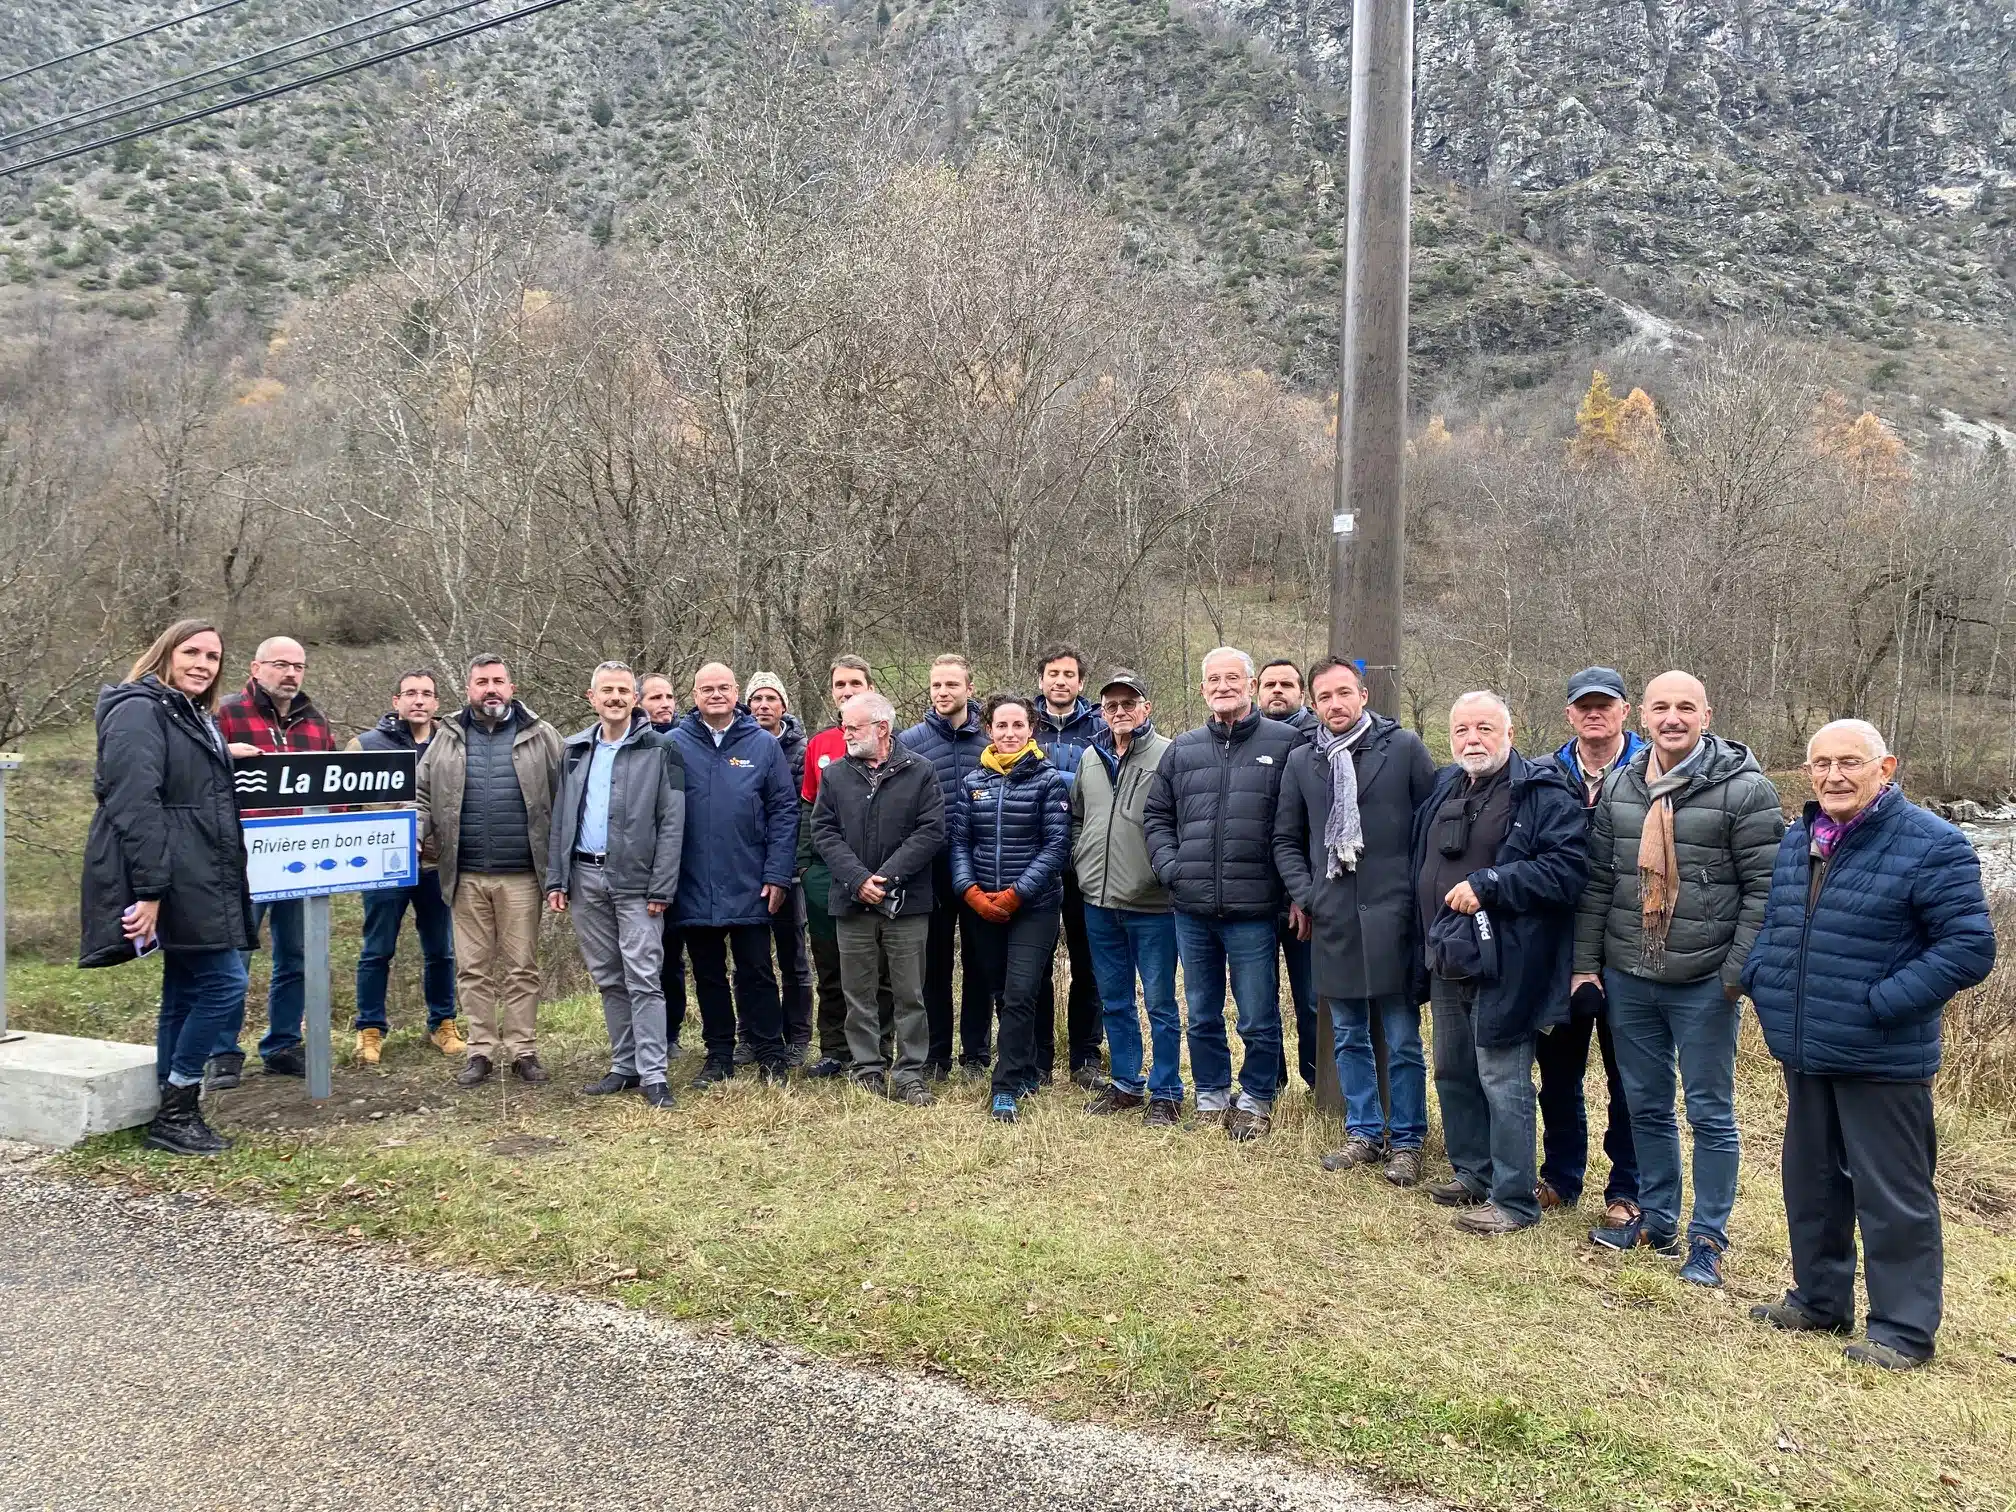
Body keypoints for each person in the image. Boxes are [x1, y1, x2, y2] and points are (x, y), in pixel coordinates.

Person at [1744, 720, 1995, 1370]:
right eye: (1821, 763)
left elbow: (1969, 947)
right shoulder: (1802, 836)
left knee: (1893, 1197)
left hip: (1882, 1055)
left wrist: (1881, 1004)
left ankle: (1903, 1331)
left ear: (1885, 768)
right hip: (1806, 1045)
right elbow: (1779, 924)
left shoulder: (1932, 844)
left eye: (1850, 762)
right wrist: (1761, 979)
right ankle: (1819, 1300)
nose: (1833, 776)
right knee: (1812, 1185)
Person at [1575, 671, 1784, 1285]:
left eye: (1686, 707)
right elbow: (1599, 884)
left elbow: (1765, 891)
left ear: (1706, 716)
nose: (1673, 718)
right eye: (1661, 707)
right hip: (1630, 975)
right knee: (1645, 1105)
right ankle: (1659, 1220)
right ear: (1643, 716)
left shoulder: (1745, 789)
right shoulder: (1622, 785)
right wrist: (1586, 964)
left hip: (1704, 980)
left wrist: (1734, 973)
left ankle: (1708, 1238)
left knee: (1710, 1112)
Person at [1411, 692, 1588, 1235]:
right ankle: (1474, 1173)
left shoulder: (1542, 791)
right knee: (1453, 1068)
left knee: (1503, 1077)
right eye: (1462, 729)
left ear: (1510, 733)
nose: (1472, 739)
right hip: (1448, 955)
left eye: (1485, 728)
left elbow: (1567, 871)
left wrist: (1491, 884)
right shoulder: (1445, 786)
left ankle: (1513, 1200)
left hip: (1509, 962)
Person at [80, 620, 255, 1156]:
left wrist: (224, 754)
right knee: (224, 983)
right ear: (165, 653)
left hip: (198, 871)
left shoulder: (189, 713)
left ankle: (169, 1108)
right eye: (191, 652)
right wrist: (151, 890)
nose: (202, 664)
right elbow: (135, 802)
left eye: (212, 657)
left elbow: (184, 781)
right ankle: (180, 1105)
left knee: (183, 989)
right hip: (174, 874)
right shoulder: (138, 710)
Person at [1274, 658, 1438, 1185]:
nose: (1335, 704)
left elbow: (1431, 824)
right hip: (1334, 915)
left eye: (1344, 692)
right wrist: (1309, 896)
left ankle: (1407, 1141)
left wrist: (1418, 895)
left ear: (1363, 695)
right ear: (1313, 703)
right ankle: (1363, 1132)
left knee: (1403, 1037)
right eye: (1324, 696)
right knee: (1347, 1033)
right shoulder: (1303, 760)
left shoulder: (1404, 747)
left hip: (1395, 915)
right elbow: (1285, 839)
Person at [1142, 647, 1302, 1140]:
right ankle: (1211, 1093)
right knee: (1202, 1011)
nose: (1223, 686)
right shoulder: (1183, 749)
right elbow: (1156, 816)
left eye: (1233, 678)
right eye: (1214, 679)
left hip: (1254, 907)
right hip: (1191, 908)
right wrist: (1172, 868)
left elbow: (1303, 822)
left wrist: (1293, 890)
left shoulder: (1287, 744)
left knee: (1257, 1013)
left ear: (1251, 686)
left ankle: (1256, 1097)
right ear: (1202, 689)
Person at [417, 655, 564, 1088]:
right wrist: (417, 833)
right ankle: (480, 1050)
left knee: (522, 967)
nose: (490, 688)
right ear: (469, 689)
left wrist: (561, 867)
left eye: (498, 680)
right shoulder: (447, 736)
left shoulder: (541, 734)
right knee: (472, 969)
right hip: (464, 874)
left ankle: (523, 1050)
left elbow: (567, 796)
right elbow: (422, 794)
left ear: (512, 687)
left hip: (522, 874)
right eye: (482, 682)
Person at [546, 661, 687, 1108]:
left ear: (635, 699)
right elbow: (561, 818)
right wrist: (557, 878)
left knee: (643, 976)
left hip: (638, 882)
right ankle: (625, 1066)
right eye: (607, 690)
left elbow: (672, 822)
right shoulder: (573, 750)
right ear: (592, 698)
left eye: (624, 690)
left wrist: (662, 886)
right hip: (585, 878)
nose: (615, 698)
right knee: (608, 977)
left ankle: (654, 1074)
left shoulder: (662, 748)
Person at [1535, 667, 1645, 1228]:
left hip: (1632, 947)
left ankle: (1627, 1189)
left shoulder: (1654, 771)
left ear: (1625, 710)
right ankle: (1560, 1177)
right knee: (1558, 1072)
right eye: (1584, 706)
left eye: (1606, 704)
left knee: (1630, 1079)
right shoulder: (1545, 774)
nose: (1594, 713)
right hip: (1559, 946)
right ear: (1570, 715)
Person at [208, 634, 336, 1086]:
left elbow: (333, 783)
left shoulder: (315, 722)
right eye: (280, 664)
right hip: (241, 861)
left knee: (297, 955)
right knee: (234, 958)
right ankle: (222, 1052)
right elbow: (194, 772)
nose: (290, 674)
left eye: (298, 666)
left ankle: (282, 1044)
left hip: (301, 859)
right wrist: (225, 755)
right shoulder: (226, 713)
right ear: (256, 668)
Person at [811, 690, 947, 1105]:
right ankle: (867, 1068)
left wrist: (886, 878)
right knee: (858, 992)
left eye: (853, 728)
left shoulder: (921, 771)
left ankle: (909, 1073)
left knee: (910, 994)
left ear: (882, 728)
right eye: (844, 727)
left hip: (907, 904)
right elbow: (823, 831)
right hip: (851, 902)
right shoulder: (835, 775)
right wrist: (857, 880)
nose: (846, 734)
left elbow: (931, 831)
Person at [672, 662, 798, 1087]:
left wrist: (778, 875)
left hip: (751, 881)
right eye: (707, 688)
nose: (716, 695)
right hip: (692, 881)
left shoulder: (762, 744)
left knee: (757, 971)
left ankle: (771, 1054)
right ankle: (719, 1055)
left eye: (723, 687)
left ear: (736, 692)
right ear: (694, 695)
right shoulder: (673, 745)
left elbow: (784, 811)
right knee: (708, 974)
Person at [951, 692, 1072, 1123]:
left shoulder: (1048, 780)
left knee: (1021, 991)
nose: (1009, 733)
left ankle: (1005, 1087)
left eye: (1018, 725)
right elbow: (960, 843)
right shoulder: (973, 782)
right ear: (989, 730)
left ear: (1031, 729)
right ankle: (1024, 1066)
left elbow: (1056, 846)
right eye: (1001, 725)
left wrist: (1016, 894)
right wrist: (970, 892)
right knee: (1002, 992)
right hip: (982, 906)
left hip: (1033, 907)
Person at [1071, 670, 1182, 1126]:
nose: (1120, 712)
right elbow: (1077, 817)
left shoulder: (1170, 754)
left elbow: (1183, 822)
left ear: (1145, 708)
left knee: (1160, 1002)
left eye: (1129, 704)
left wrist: (1164, 872)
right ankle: (1125, 1083)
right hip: (1098, 902)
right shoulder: (1090, 758)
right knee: (1114, 999)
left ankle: (1167, 1092)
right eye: (1111, 705)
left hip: (1152, 905)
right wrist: (1080, 858)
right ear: (1102, 712)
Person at [348, 668, 463, 1065]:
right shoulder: (365, 746)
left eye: (426, 694)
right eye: (410, 693)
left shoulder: (451, 745)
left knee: (441, 950)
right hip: (385, 868)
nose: (419, 700)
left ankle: (443, 1023)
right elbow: (348, 809)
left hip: (436, 865)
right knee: (377, 950)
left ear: (436, 702)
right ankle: (369, 1030)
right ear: (396, 701)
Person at [897, 654, 990, 1074]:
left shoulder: (988, 741)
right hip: (929, 871)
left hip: (979, 869)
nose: (942, 692)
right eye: (936, 685)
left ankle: (976, 1053)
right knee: (933, 966)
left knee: (979, 964)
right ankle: (935, 1055)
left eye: (952, 684)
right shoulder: (910, 742)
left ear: (969, 689)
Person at [797, 655, 881, 1078]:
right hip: (827, 875)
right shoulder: (820, 745)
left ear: (870, 688)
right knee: (830, 965)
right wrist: (805, 868)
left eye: (855, 684)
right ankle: (834, 1048)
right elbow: (808, 812)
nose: (847, 691)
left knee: (878, 969)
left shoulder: (885, 741)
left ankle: (879, 1048)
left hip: (877, 875)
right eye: (840, 685)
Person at [1032, 643, 1107, 1088]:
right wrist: (1073, 780)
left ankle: (1086, 1056)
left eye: (1068, 675)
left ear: (1081, 683)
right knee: (1035, 963)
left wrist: (1052, 779)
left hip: (1087, 861)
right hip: (1034, 860)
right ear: (1041, 679)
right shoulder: (1023, 722)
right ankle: (1037, 1058)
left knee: (1088, 963)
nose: (1060, 681)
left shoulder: (1101, 727)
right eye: (1053, 674)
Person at [743, 670, 813, 1067]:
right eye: (756, 699)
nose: (763, 705)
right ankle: (750, 1036)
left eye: (771, 698)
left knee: (794, 957)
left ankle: (798, 1037)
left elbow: (803, 811)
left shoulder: (802, 751)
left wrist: (793, 863)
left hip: (790, 870)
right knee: (749, 960)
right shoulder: (738, 746)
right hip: (746, 869)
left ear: (784, 706)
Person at [1257, 656, 1319, 1088]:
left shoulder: (1321, 740)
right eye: (1269, 684)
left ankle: (1318, 1082)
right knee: (1259, 1002)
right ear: (1257, 692)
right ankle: (1269, 1084)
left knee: (1312, 999)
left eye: (1286, 684)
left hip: (1307, 894)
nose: (1277, 691)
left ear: (1302, 694)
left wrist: (1303, 893)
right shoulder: (1243, 738)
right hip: (1255, 895)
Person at [641, 674, 690, 1058]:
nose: (665, 703)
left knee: (671, 957)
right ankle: (641, 1034)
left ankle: (670, 1033)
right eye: (655, 697)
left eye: (670, 696)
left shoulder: (683, 742)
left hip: (679, 868)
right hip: (638, 867)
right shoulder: (631, 744)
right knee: (642, 958)